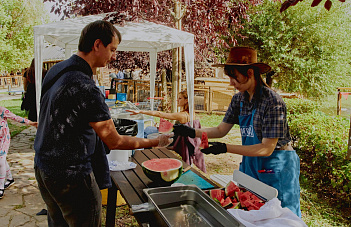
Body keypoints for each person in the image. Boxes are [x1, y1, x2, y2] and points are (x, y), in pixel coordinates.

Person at [34, 20, 172, 227]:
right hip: (71, 175)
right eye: (112, 49)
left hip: (44, 167)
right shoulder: (85, 87)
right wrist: (155, 142)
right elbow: (114, 141)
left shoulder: (57, 70)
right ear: (97, 44)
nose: (114, 56)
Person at [173, 47, 301, 217]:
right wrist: (191, 131)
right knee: (251, 210)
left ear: (250, 72)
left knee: (282, 216)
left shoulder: (272, 102)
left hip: (276, 165)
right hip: (251, 163)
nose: (231, 83)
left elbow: (266, 148)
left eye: (234, 77)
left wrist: (225, 148)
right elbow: (220, 130)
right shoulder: (238, 99)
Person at [126, 90, 206, 173]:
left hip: (177, 143)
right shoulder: (191, 113)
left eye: (180, 98)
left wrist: (140, 111)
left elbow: (160, 114)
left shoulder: (182, 115)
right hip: (183, 140)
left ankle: (141, 161)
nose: (177, 100)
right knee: (149, 130)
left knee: (146, 135)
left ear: (186, 101)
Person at [0, 106, 37, 199]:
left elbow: (15, 117)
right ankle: (10, 179)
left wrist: (30, 123)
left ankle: (0, 188)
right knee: (2, 160)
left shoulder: (1, 110)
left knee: (0, 161)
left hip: (4, 139)